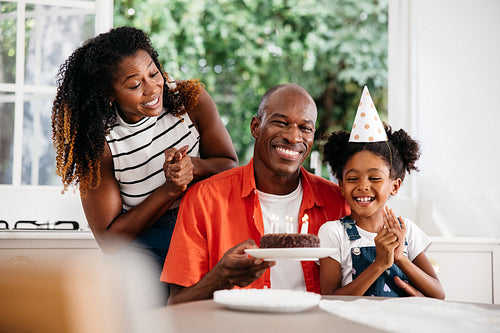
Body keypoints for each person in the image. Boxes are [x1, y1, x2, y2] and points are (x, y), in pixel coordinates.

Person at [51, 27, 238, 286]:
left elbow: (229, 165)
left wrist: (192, 167)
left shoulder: (189, 100)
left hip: (202, 228)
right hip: (143, 247)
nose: (152, 90)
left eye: (154, 74)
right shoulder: (99, 144)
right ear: (109, 93)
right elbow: (109, 239)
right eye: (135, 85)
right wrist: (170, 189)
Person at [161, 83, 350, 304]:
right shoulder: (204, 199)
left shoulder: (338, 202)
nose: (293, 137)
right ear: (255, 127)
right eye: (280, 123)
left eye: (305, 128)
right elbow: (176, 304)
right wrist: (220, 278)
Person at [318, 87, 444, 299]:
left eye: (374, 178)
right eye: (352, 178)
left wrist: (400, 258)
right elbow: (331, 299)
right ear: (341, 185)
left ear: (394, 186)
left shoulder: (407, 231)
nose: (363, 186)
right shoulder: (333, 233)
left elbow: (438, 294)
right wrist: (379, 264)